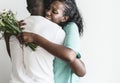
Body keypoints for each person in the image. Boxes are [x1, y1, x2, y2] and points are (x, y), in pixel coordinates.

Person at [19, 0, 86, 83]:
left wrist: (34, 38)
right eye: (48, 8)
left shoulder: (70, 27)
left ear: (64, 18)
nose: (47, 12)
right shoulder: (49, 26)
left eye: (54, 11)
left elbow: (70, 56)